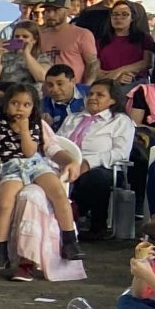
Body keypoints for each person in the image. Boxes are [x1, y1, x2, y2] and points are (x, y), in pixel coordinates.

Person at [0, 85, 82, 272]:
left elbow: (32, 152)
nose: (20, 108)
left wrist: (24, 130)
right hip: (9, 167)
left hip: (35, 164)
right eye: (15, 103)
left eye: (26, 105)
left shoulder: (34, 123)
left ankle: (69, 241)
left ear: (33, 107)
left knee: (58, 193)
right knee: (4, 203)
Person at [64, 79, 137, 237]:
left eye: (100, 95)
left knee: (94, 178)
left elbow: (120, 153)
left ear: (113, 100)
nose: (92, 97)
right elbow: (57, 143)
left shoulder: (120, 121)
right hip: (67, 164)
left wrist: (89, 163)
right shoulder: (72, 119)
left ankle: (93, 225)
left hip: (103, 167)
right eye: (90, 94)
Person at [35, 0, 99, 83]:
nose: (51, 14)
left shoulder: (82, 34)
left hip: (73, 87)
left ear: (67, 11)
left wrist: (87, 86)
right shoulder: (39, 35)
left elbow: (92, 63)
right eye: (48, 10)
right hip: (45, 87)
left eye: (56, 10)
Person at [96, 0, 153, 89]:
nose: (118, 18)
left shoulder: (144, 38)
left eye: (124, 14)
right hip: (107, 84)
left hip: (135, 83)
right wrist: (112, 78)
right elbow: (96, 69)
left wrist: (118, 71)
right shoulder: (101, 41)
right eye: (115, 14)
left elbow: (147, 63)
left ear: (132, 18)